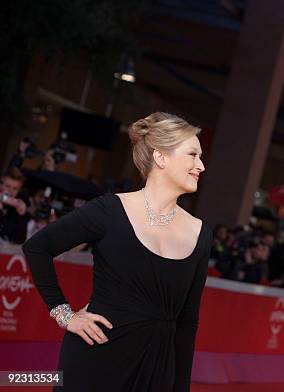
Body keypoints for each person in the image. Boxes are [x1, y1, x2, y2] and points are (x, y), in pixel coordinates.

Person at [22, 112, 212, 391]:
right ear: (161, 158)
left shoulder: (200, 232)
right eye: (193, 155)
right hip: (94, 360)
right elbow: (37, 248)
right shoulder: (109, 211)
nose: (201, 166)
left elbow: (187, 322)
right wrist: (64, 315)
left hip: (156, 370)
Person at [0, 167, 30, 244]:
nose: (11, 191)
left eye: (15, 188)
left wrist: (22, 216)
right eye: (8, 186)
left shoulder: (16, 208)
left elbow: (19, 241)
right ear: (1, 185)